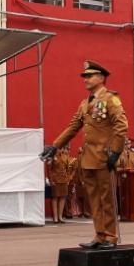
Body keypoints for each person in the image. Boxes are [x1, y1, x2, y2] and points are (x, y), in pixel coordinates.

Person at [41, 60, 127, 250]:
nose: (85, 79)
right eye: (84, 76)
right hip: (88, 159)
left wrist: (115, 151)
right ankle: (99, 235)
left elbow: (121, 126)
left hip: (105, 157)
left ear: (101, 78)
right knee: (93, 200)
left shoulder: (111, 99)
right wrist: (55, 146)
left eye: (89, 76)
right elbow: (73, 127)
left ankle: (111, 237)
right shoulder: (84, 104)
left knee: (106, 200)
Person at [47, 145, 75, 224]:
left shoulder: (65, 156)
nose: (61, 150)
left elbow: (68, 169)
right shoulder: (52, 157)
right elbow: (49, 169)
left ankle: (60, 217)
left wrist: (68, 178)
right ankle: (55, 217)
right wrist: (51, 179)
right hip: (55, 180)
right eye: (60, 148)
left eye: (62, 148)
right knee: (55, 198)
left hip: (64, 180)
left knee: (63, 197)